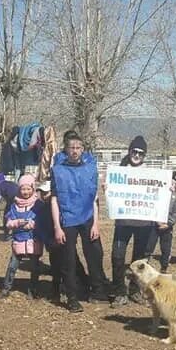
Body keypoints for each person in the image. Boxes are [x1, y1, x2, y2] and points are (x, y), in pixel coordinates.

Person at [51, 131, 106, 313]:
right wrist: (57, 227)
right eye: (71, 148)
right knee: (68, 259)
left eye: (78, 148)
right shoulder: (58, 170)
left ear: (82, 149)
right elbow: (54, 199)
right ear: (66, 149)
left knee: (95, 253)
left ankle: (98, 290)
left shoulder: (90, 168)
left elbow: (94, 197)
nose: (74, 151)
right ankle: (72, 297)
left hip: (88, 217)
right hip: (67, 219)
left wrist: (96, 223)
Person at [110, 136, 157, 307]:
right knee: (117, 256)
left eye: (140, 153)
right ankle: (119, 292)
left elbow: (159, 192)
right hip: (123, 221)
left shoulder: (151, 174)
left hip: (144, 223)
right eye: (134, 151)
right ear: (129, 151)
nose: (137, 155)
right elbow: (112, 192)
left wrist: (167, 190)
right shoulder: (119, 171)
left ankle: (135, 290)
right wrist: (108, 189)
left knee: (140, 260)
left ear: (144, 155)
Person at [33, 181, 85, 302]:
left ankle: (83, 285)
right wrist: (46, 240)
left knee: (73, 264)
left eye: (47, 192)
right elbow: (40, 226)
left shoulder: (63, 206)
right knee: (55, 267)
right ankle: (55, 290)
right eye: (42, 193)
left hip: (65, 240)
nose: (44, 195)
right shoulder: (41, 208)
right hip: (51, 242)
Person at [0, 174, 43, 299]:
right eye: (23, 189)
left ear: (33, 189)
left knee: (34, 266)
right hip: (18, 240)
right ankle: (6, 288)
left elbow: (42, 220)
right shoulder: (14, 206)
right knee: (12, 265)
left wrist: (33, 224)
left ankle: (33, 289)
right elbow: (8, 222)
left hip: (33, 240)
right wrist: (17, 223)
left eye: (29, 189)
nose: (26, 192)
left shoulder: (38, 204)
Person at [147, 170, 176, 272]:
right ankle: (145, 263)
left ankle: (164, 267)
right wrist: (156, 220)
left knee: (166, 248)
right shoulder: (158, 192)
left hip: (167, 227)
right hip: (154, 225)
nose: (173, 185)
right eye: (172, 182)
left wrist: (169, 223)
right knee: (149, 246)